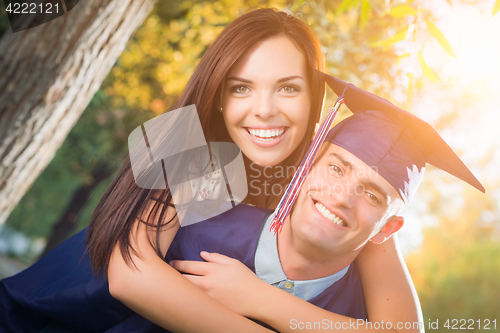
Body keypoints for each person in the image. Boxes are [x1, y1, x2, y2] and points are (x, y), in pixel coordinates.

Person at [0, 8, 423, 333]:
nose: (263, 110)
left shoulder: (336, 181)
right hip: (50, 313)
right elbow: (131, 275)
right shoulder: (188, 136)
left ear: (313, 103)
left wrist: (260, 299)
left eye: (288, 88)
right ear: (219, 93)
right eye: (241, 87)